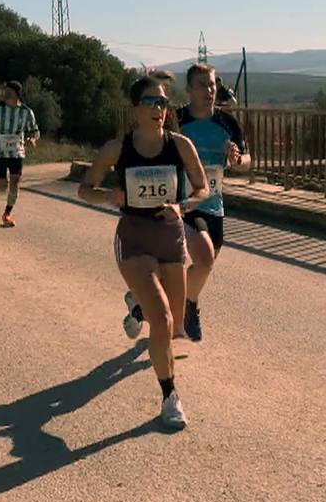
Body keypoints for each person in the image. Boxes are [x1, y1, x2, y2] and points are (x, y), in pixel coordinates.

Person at [78, 70, 210, 430]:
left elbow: (203, 189)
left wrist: (184, 205)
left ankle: (136, 304)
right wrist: (108, 195)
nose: (160, 108)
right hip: (134, 238)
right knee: (163, 321)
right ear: (135, 109)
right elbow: (84, 189)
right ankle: (170, 396)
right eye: (151, 102)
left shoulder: (180, 146)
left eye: (164, 102)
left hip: (169, 236)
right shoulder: (117, 149)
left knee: (174, 321)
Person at [170, 64, 249, 342]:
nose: (209, 90)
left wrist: (237, 159)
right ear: (189, 89)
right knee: (203, 257)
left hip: (215, 204)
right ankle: (176, 307)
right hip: (186, 203)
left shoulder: (227, 123)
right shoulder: (176, 120)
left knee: (205, 264)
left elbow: (247, 160)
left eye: (213, 84)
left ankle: (187, 302)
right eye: (202, 85)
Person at [0, 80, 41, 227]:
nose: (6, 93)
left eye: (9, 91)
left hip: (16, 152)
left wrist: (32, 139)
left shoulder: (26, 112)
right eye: (5, 91)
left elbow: (34, 131)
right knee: (3, 185)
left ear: (17, 94)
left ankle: (7, 214)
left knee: (14, 183)